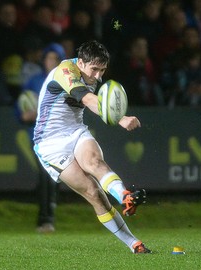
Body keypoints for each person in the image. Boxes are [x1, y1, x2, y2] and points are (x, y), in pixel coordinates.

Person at [32, 40, 151, 254]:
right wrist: (121, 118)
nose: (97, 76)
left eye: (102, 70)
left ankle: (124, 196)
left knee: (94, 162)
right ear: (81, 63)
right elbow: (86, 99)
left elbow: (97, 105)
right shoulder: (65, 70)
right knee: (93, 192)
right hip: (50, 142)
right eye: (94, 69)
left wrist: (112, 113)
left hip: (76, 130)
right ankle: (132, 242)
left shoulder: (93, 74)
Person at [17, 43, 66, 233]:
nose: (51, 62)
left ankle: (46, 216)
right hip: (39, 137)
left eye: (55, 59)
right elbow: (20, 106)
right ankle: (46, 218)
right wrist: (24, 114)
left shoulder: (66, 82)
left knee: (53, 176)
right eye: (49, 58)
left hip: (59, 136)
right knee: (46, 175)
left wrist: (39, 112)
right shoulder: (34, 81)